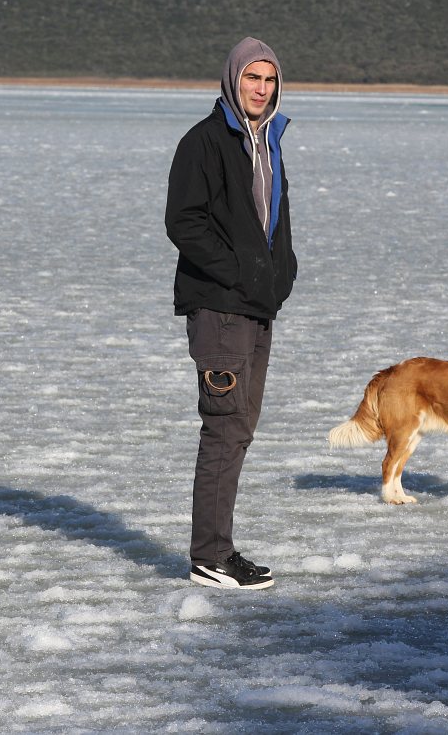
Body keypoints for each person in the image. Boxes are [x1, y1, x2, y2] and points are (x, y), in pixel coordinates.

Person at [165, 37, 297, 590]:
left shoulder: (267, 142)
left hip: (256, 306)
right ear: (232, 80)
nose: (261, 90)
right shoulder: (205, 142)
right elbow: (184, 222)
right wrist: (241, 274)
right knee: (224, 426)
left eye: (269, 81)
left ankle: (217, 549)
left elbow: (273, 223)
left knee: (240, 426)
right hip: (220, 307)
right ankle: (210, 556)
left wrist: (281, 273)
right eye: (252, 79)